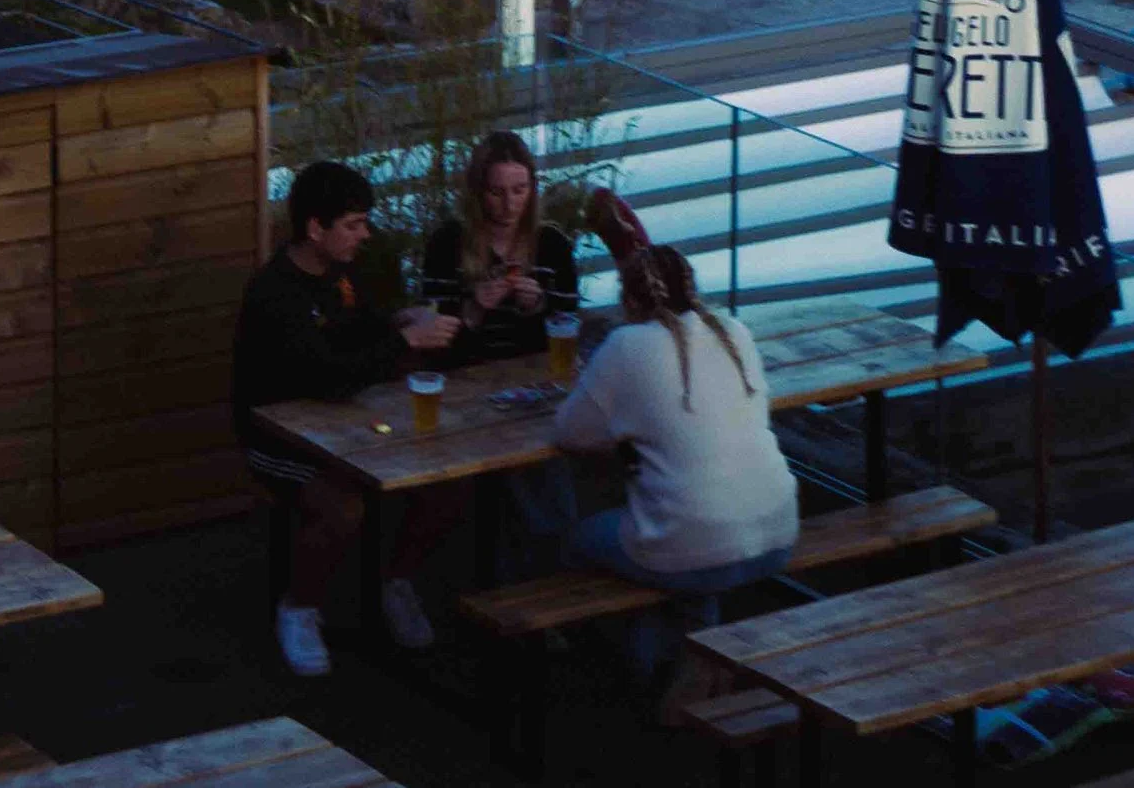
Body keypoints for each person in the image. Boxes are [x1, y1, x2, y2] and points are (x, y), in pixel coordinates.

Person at [554, 188, 798, 721]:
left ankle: (653, 666)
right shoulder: (735, 330)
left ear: (629, 297)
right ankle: (698, 650)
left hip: (695, 544)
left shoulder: (626, 346)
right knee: (680, 527)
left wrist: (622, 424)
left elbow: (569, 435)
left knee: (577, 542)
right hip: (780, 533)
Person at [230, 159, 461, 678]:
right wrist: (402, 341)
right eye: (354, 224)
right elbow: (326, 375)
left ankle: (394, 583)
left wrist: (399, 320)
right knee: (343, 508)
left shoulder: (343, 273)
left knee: (449, 483)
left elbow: (356, 330)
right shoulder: (275, 293)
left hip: (348, 421)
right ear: (316, 228)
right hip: (279, 440)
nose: (366, 234)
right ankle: (299, 608)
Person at [421, 130, 580, 366]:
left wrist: (537, 306)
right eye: (496, 192)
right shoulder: (446, 243)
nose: (510, 205)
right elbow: (432, 339)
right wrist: (473, 310)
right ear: (478, 192)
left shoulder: (552, 243)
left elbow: (568, 325)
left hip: (534, 375)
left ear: (533, 189)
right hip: (467, 378)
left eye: (519, 190)